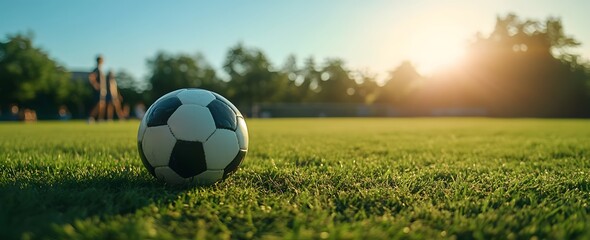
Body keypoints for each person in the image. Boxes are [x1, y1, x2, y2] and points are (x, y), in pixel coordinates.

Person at [88, 55, 106, 122]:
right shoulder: (96, 69)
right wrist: (95, 85)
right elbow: (91, 77)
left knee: (102, 104)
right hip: (98, 91)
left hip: (102, 91)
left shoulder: (101, 70)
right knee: (98, 104)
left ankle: (100, 119)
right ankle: (90, 117)